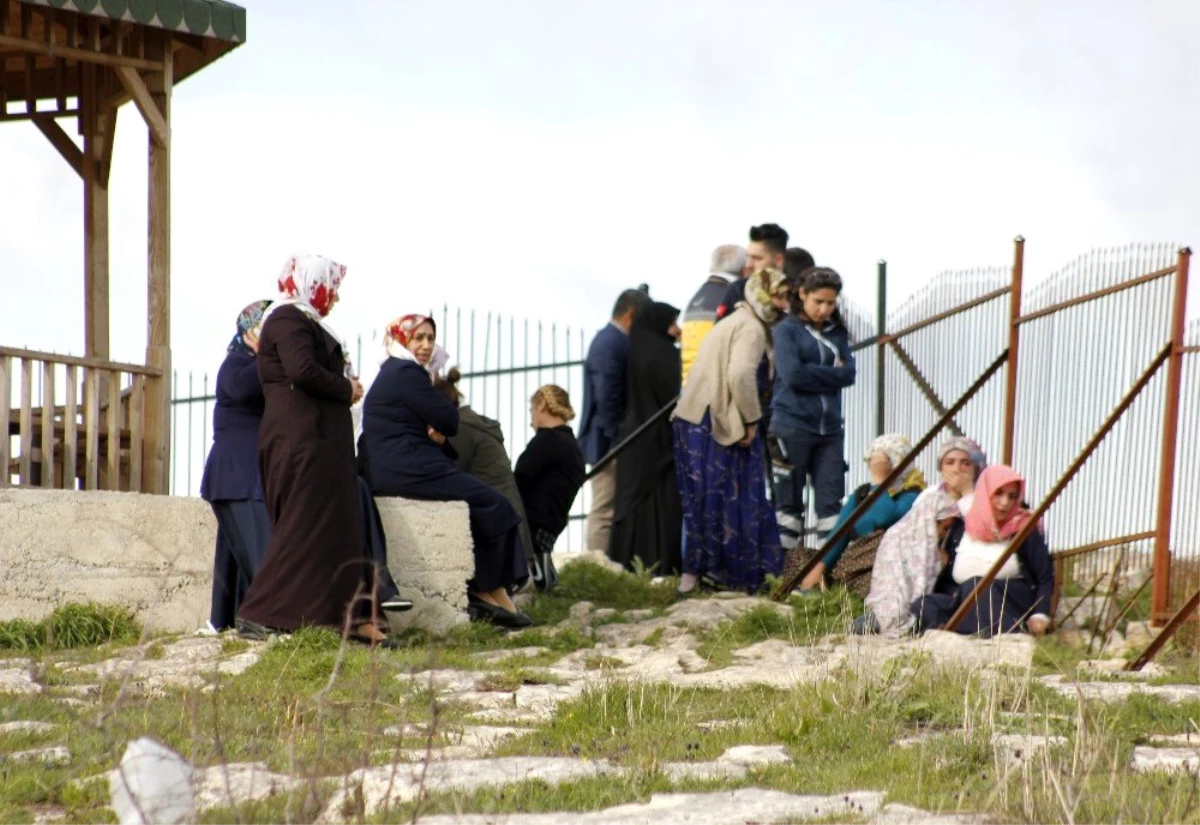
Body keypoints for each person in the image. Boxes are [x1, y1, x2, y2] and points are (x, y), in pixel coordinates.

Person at [236, 254, 394, 647]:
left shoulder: (305, 320)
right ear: (311, 283)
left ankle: (349, 617)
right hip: (300, 442)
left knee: (336, 530)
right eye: (330, 287)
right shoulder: (288, 319)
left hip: (321, 445)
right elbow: (302, 370)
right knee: (302, 528)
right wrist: (347, 389)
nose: (335, 297)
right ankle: (260, 612)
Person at [361, 314, 531, 627]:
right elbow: (449, 419)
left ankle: (492, 592)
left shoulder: (393, 372)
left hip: (403, 465)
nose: (426, 345)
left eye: (430, 338)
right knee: (496, 504)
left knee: (479, 503)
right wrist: (437, 424)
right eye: (418, 338)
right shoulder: (407, 371)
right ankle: (486, 591)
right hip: (409, 467)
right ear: (402, 340)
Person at [672, 268, 791, 595]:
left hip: (693, 420)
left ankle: (693, 576)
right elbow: (739, 375)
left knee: (703, 503)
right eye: (778, 297)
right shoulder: (751, 328)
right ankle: (738, 577)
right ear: (764, 296)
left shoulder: (731, 322)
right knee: (737, 498)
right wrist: (751, 420)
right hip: (720, 425)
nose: (784, 305)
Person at [859, 436, 988, 637]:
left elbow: (982, 530)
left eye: (965, 463)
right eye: (950, 462)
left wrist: (967, 492)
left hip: (960, 582)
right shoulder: (929, 496)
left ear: (976, 468)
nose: (957, 470)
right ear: (941, 468)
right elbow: (912, 533)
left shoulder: (986, 499)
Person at [199, 300, 274, 633]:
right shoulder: (237, 364)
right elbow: (242, 387)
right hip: (237, 474)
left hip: (243, 474)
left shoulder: (259, 364)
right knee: (260, 550)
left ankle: (223, 620)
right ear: (249, 330)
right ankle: (264, 620)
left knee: (234, 552)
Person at [912, 465, 1053, 638]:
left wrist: (1040, 614)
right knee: (925, 604)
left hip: (1008, 601)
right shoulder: (963, 527)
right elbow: (948, 577)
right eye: (998, 494)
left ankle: (1000, 637)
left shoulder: (1024, 529)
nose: (1005, 503)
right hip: (964, 598)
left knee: (979, 586)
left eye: (1012, 496)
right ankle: (945, 637)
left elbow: (1044, 577)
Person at [771, 267, 856, 544]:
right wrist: (832, 374)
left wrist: (813, 372)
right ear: (802, 294)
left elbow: (849, 374)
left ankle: (824, 580)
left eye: (830, 303)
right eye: (818, 301)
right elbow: (792, 375)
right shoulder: (786, 330)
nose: (824, 309)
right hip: (791, 425)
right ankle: (785, 577)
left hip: (830, 430)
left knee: (831, 505)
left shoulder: (837, 332)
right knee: (788, 507)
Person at [434, 367, 535, 580]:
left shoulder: (460, 430)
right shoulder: (472, 424)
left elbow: (446, 476)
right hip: (512, 536)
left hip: (500, 541)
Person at [608, 302, 683, 576]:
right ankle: (661, 563)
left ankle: (629, 564)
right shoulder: (663, 354)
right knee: (662, 504)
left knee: (633, 506)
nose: (677, 330)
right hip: (658, 440)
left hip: (635, 439)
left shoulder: (636, 351)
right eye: (673, 323)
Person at [797, 433, 926, 593]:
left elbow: (883, 519)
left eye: (881, 461)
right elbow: (840, 532)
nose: (874, 465)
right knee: (799, 560)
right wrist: (819, 568)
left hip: (880, 566)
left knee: (875, 544)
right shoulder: (862, 493)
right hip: (850, 561)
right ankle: (818, 587)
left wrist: (880, 481)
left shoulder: (913, 495)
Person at [577, 289, 651, 554]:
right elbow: (606, 394)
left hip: (607, 438)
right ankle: (597, 565)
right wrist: (617, 438)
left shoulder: (608, 340)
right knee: (604, 507)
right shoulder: (610, 342)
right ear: (631, 315)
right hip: (607, 441)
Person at [515, 385, 587, 591]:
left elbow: (519, 479)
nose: (531, 420)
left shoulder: (547, 441)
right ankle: (542, 573)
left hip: (533, 522)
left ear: (542, 406)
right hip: (551, 522)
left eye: (532, 410)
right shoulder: (570, 445)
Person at [680, 245, 746, 385]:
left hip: (689, 387)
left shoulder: (697, 298)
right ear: (743, 269)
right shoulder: (732, 297)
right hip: (715, 388)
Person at [715, 224, 788, 321]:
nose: (748, 265)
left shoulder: (798, 294)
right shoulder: (738, 290)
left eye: (757, 258)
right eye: (747, 257)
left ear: (778, 260)